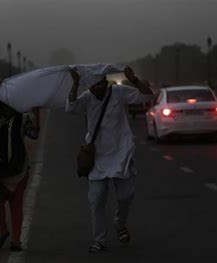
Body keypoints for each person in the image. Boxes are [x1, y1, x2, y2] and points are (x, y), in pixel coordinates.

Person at [66, 66, 154, 252]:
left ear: (106, 83)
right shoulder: (87, 98)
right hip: (97, 156)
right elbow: (71, 108)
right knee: (96, 199)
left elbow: (147, 97)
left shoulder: (119, 92)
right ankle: (99, 240)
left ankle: (119, 224)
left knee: (126, 195)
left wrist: (134, 79)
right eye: (93, 86)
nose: (97, 89)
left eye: (99, 85)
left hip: (122, 152)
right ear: (89, 87)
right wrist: (74, 84)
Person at [0, 80, 40, 251]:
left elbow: (34, 134)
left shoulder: (22, 118)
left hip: (18, 169)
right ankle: (3, 231)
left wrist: (36, 113)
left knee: (16, 205)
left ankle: (16, 240)